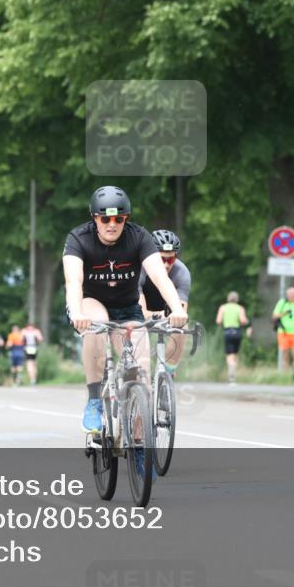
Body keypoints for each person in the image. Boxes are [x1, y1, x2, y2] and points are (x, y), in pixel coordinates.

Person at [63, 185, 188, 434]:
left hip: (127, 309)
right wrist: (77, 313)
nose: (112, 224)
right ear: (95, 218)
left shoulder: (139, 237)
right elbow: (73, 281)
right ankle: (95, 400)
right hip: (90, 303)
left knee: (141, 377)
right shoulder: (78, 238)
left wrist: (176, 308)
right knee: (95, 325)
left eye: (118, 219)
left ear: (125, 219)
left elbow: (160, 278)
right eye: (105, 218)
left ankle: (140, 446)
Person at [139, 229, 191, 380]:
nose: (167, 264)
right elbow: (140, 312)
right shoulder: (139, 270)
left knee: (183, 326)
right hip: (139, 307)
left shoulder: (182, 273)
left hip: (164, 309)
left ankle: (168, 369)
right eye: (162, 259)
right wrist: (159, 315)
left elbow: (181, 311)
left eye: (171, 259)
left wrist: (177, 317)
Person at [215, 291, 249, 385]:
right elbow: (243, 320)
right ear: (237, 299)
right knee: (234, 354)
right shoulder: (240, 308)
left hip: (227, 332)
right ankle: (233, 374)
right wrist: (246, 322)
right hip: (237, 332)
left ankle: (231, 377)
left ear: (228, 298)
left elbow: (218, 321)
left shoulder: (223, 307)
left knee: (229, 355)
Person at [273, 286, 294, 372]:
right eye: (291, 294)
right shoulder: (282, 303)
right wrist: (284, 313)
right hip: (283, 332)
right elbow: (274, 316)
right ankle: (285, 373)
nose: (292, 296)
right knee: (285, 354)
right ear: (287, 295)